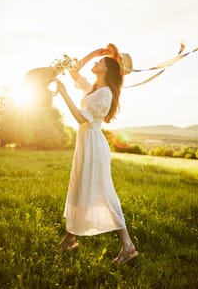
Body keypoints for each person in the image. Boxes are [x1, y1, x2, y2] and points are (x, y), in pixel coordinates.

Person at [55, 43, 138, 264]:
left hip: (93, 145)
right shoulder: (92, 88)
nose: (95, 63)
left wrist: (63, 93)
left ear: (107, 70)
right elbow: (74, 71)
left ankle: (128, 246)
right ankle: (70, 239)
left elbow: (82, 118)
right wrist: (94, 53)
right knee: (81, 188)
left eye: (99, 62)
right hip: (85, 144)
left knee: (103, 193)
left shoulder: (105, 93)